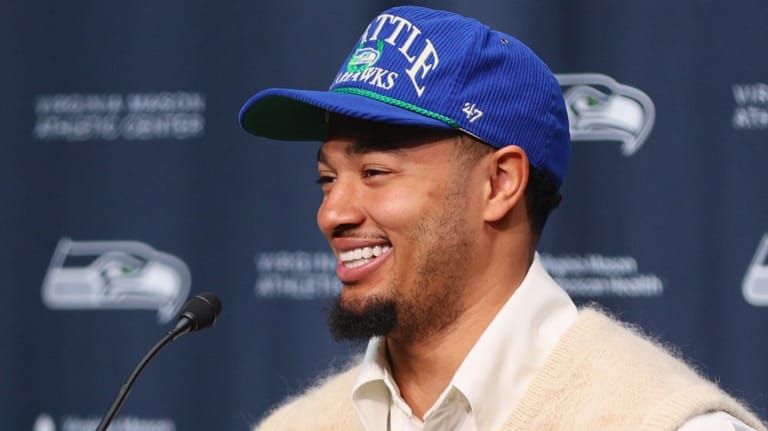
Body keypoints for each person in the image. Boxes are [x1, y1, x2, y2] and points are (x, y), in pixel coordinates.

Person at [239, 6, 766, 431]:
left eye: (375, 171)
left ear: (500, 184)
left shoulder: (664, 422)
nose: (332, 213)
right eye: (327, 180)